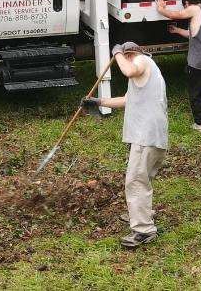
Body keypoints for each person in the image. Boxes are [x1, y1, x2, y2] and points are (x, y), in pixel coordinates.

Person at [82, 42, 168, 249]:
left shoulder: (141, 60)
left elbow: (129, 69)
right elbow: (126, 100)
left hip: (146, 137)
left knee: (136, 182)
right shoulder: (146, 75)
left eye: (125, 55)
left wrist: (117, 53)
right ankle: (139, 212)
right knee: (142, 179)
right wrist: (98, 102)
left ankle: (143, 231)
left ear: (130, 54)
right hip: (152, 136)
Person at [155, 0, 201, 135]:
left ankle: (200, 124)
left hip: (200, 61)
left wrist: (161, 8)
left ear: (187, 2)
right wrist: (177, 30)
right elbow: (192, 33)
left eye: (184, 4)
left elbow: (176, 15)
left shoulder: (193, 8)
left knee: (196, 93)